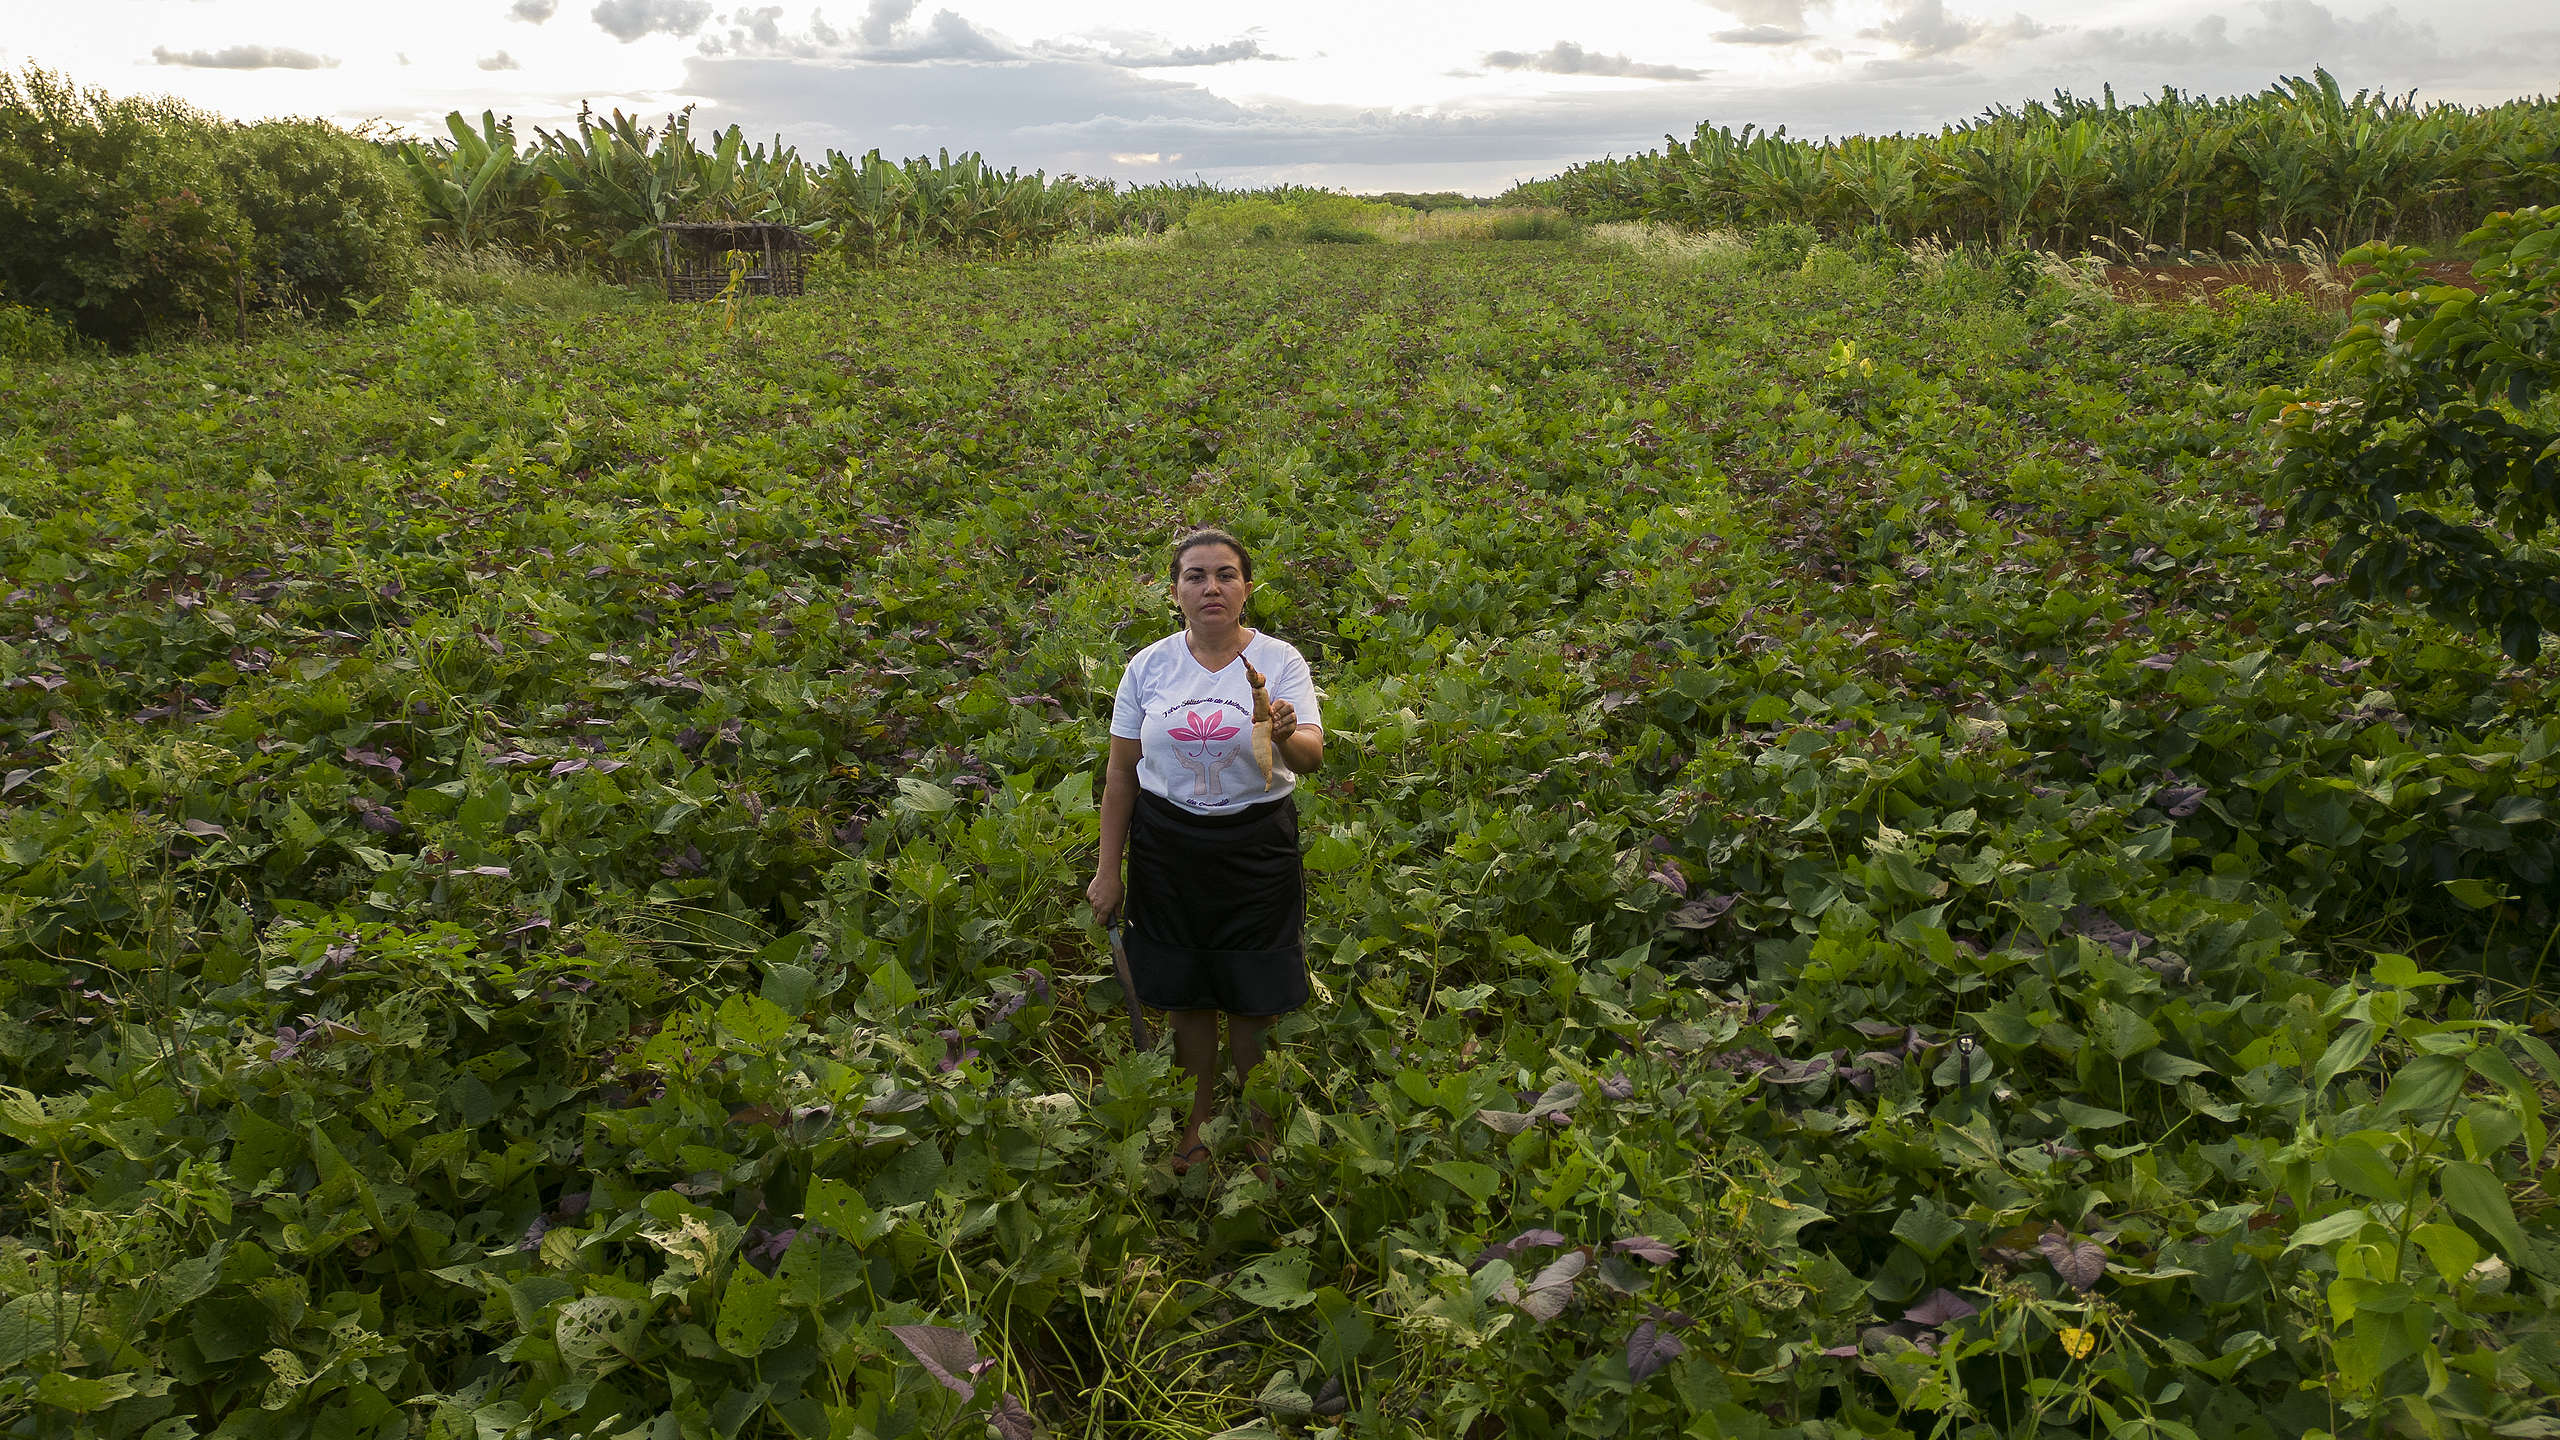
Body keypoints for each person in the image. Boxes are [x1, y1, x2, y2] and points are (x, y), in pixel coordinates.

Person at [1088, 527, 1324, 1175]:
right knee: (1187, 993)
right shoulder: (1148, 666)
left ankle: (1258, 1127)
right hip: (1168, 847)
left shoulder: (1280, 662)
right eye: (1195, 576)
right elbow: (1119, 775)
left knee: (1255, 994)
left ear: (1246, 589)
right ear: (1175, 592)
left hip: (1256, 846)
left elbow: (1310, 756)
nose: (1211, 587)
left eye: (1225, 574)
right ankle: (1196, 1125)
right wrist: (1109, 870)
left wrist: (1282, 729)